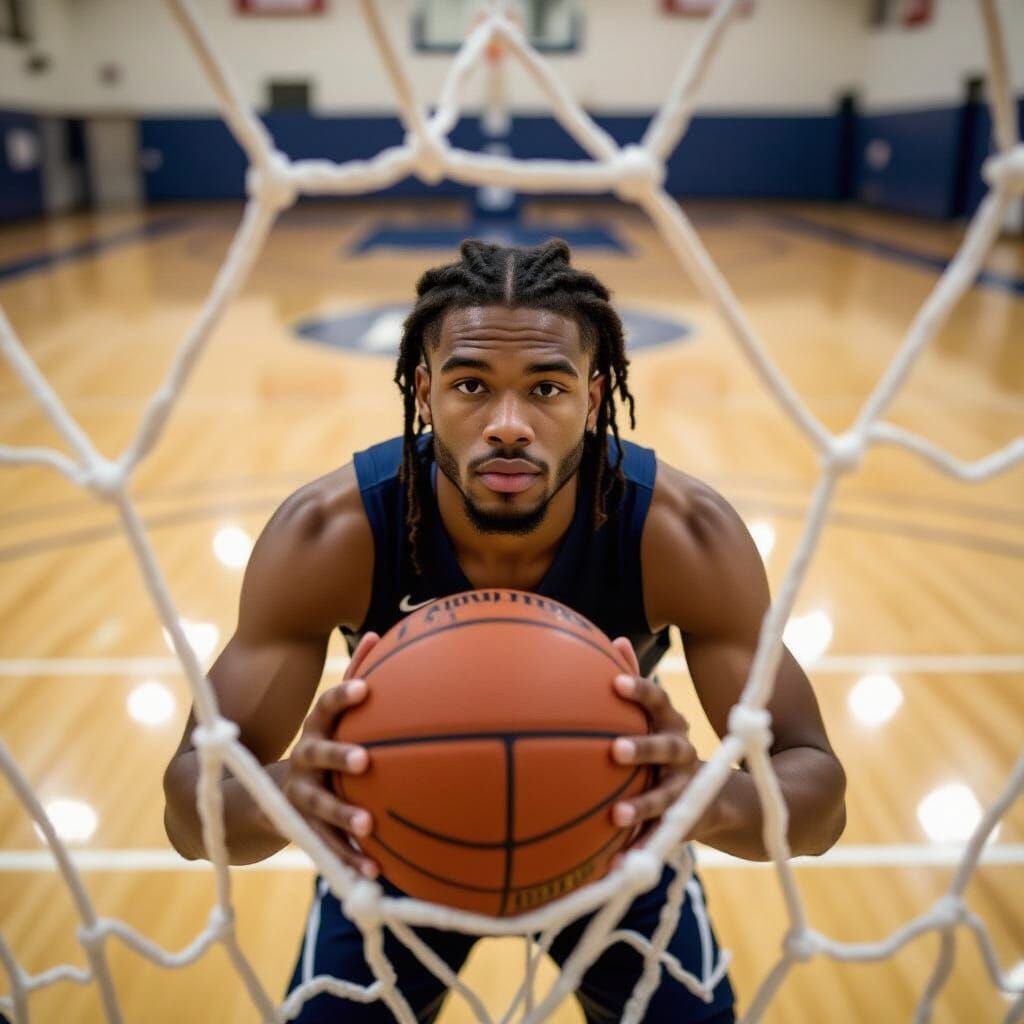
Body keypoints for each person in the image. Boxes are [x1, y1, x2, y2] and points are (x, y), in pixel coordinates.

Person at [163, 239, 846, 1023]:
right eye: (471, 386)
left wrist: (709, 801)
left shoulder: (681, 534)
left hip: (614, 832)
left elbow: (819, 797)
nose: (509, 425)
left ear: (595, 398)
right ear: (424, 393)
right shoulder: (331, 533)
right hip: (393, 836)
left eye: (547, 388)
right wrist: (290, 794)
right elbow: (189, 810)